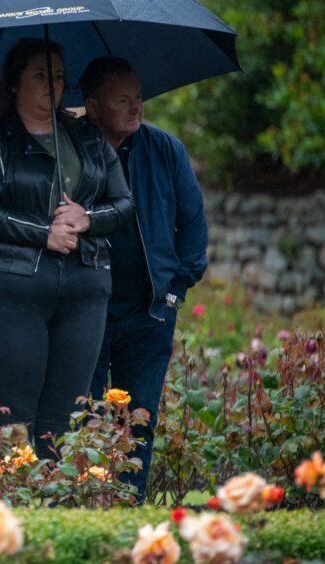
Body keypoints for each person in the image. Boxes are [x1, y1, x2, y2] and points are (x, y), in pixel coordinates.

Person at [0, 38, 134, 460]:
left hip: (84, 285)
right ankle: (5, 515)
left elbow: (124, 203)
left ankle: (52, 514)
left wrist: (87, 218)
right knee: (13, 417)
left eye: (57, 75)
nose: (52, 83)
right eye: (39, 75)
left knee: (66, 415)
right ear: (14, 83)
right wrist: (43, 232)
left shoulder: (87, 137)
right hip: (9, 287)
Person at [82, 57, 209, 503]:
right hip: (85, 312)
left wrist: (176, 291)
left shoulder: (165, 149)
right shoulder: (72, 150)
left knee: (138, 420)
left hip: (150, 312)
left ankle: (128, 509)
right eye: (123, 100)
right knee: (87, 419)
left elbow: (193, 226)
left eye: (139, 97)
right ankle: (88, 510)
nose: (136, 107)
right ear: (93, 107)